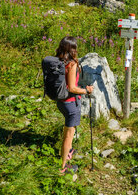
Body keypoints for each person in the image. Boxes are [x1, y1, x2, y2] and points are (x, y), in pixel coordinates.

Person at [55, 36, 93, 174]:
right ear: (72, 49)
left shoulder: (58, 61)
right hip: (70, 103)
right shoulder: (72, 64)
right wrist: (86, 90)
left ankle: (68, 150)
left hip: (61, 102)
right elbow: (72, 87)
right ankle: (63, 167)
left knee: (67, 130)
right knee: (68, 135)